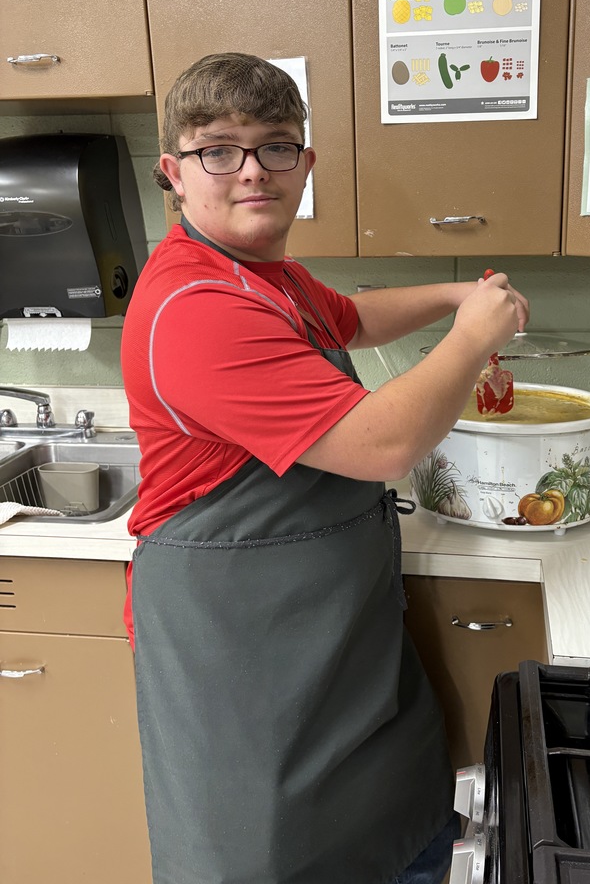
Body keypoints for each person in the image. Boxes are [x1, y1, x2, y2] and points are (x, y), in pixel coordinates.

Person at [120, 52, 529, 884]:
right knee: (273, 858)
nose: (251, 172)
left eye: (275, 147)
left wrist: (456, 295)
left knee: (397, 831)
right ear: (174, 172)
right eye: (218, 150)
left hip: (337, 645)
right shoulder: (194, 310)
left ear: (305, 164)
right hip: (247, 666)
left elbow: (352, 317)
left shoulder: (263, 278)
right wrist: (472, 337)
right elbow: (383, 444)